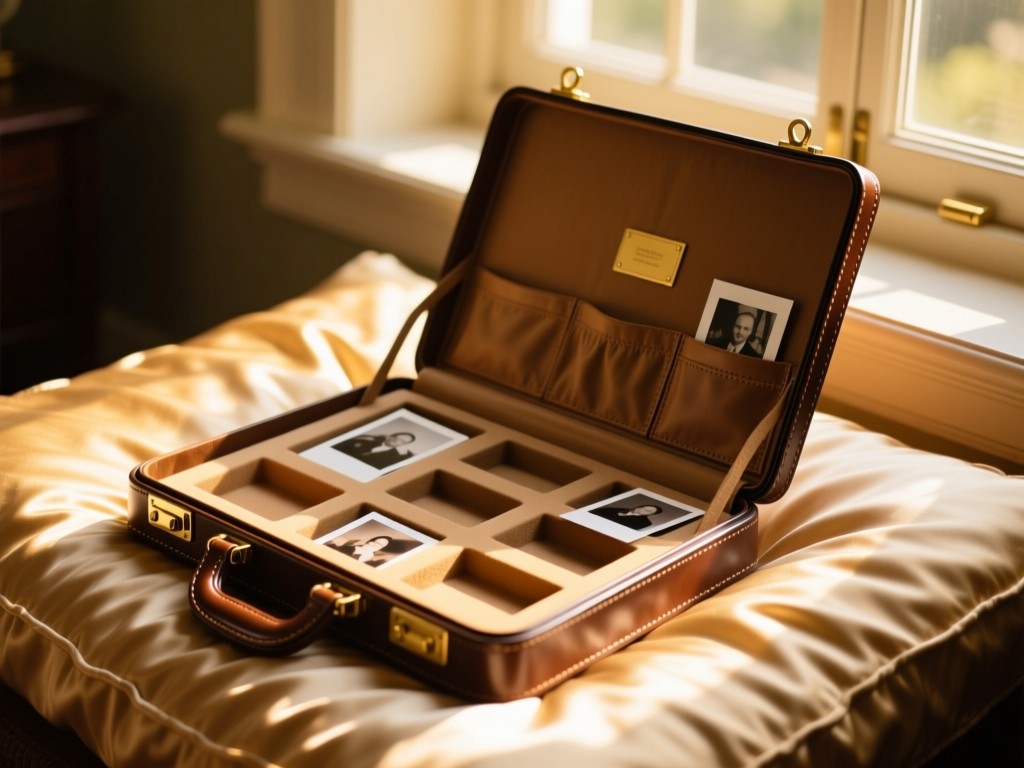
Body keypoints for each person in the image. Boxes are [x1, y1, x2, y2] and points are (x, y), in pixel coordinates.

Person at [333, 431, 416, 469]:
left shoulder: (395, 458)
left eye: (402, 440)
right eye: (396, 437)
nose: (396, 440)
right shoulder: (367, 439)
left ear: (404, 444)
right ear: (390, 436)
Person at [590, 503, 663, 531]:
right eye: (643, 507)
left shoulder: (646, 523)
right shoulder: (618, 509)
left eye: (648, 511)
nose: (642, 509)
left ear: (651, 514)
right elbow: (595, 512)